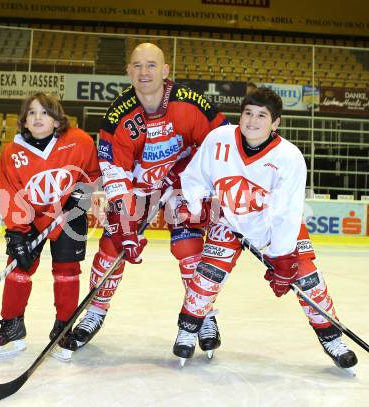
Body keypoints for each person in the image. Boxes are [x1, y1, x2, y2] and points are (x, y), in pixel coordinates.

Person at [172, 87, 358, 373]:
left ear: (275, 123)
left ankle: (333, 339)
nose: (252, 121)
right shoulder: (219, 138)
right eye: (248, 113)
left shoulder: (289, 156)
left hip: (274, 227)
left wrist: (284, 258)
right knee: (208, 274)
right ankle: (188, 329)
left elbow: (286, 212)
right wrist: (196, 205)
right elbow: (196, 174)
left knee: (308, 279)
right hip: (230, 221)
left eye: (262, 115)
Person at [62, 42, 229, 354]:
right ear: (128, 72)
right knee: (112, 246)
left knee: (188, 247)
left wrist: (196, 178)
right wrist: (125, 226)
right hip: (138, 189)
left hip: (182, 182)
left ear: (165, 71)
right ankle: (95, 311)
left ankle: (203, 314)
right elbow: (114, 174)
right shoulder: (117, 117)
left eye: (151, 65)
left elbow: (222, 142)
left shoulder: (190, 103)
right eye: (137, 65)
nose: (144, 72)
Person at [0, 92, 100, 360]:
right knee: (18, 268)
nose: (38, 117)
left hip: (69, 215)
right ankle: (13, 325)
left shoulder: (79, 141)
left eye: (45, 112)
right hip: (31, 216)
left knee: (67, 271)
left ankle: (63, 326)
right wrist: (15, 233)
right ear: (24, 121)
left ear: (57, 121)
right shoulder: (12, 153)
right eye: (32, 113)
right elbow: (11, 193)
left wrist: (83, 195)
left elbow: (93, 174)